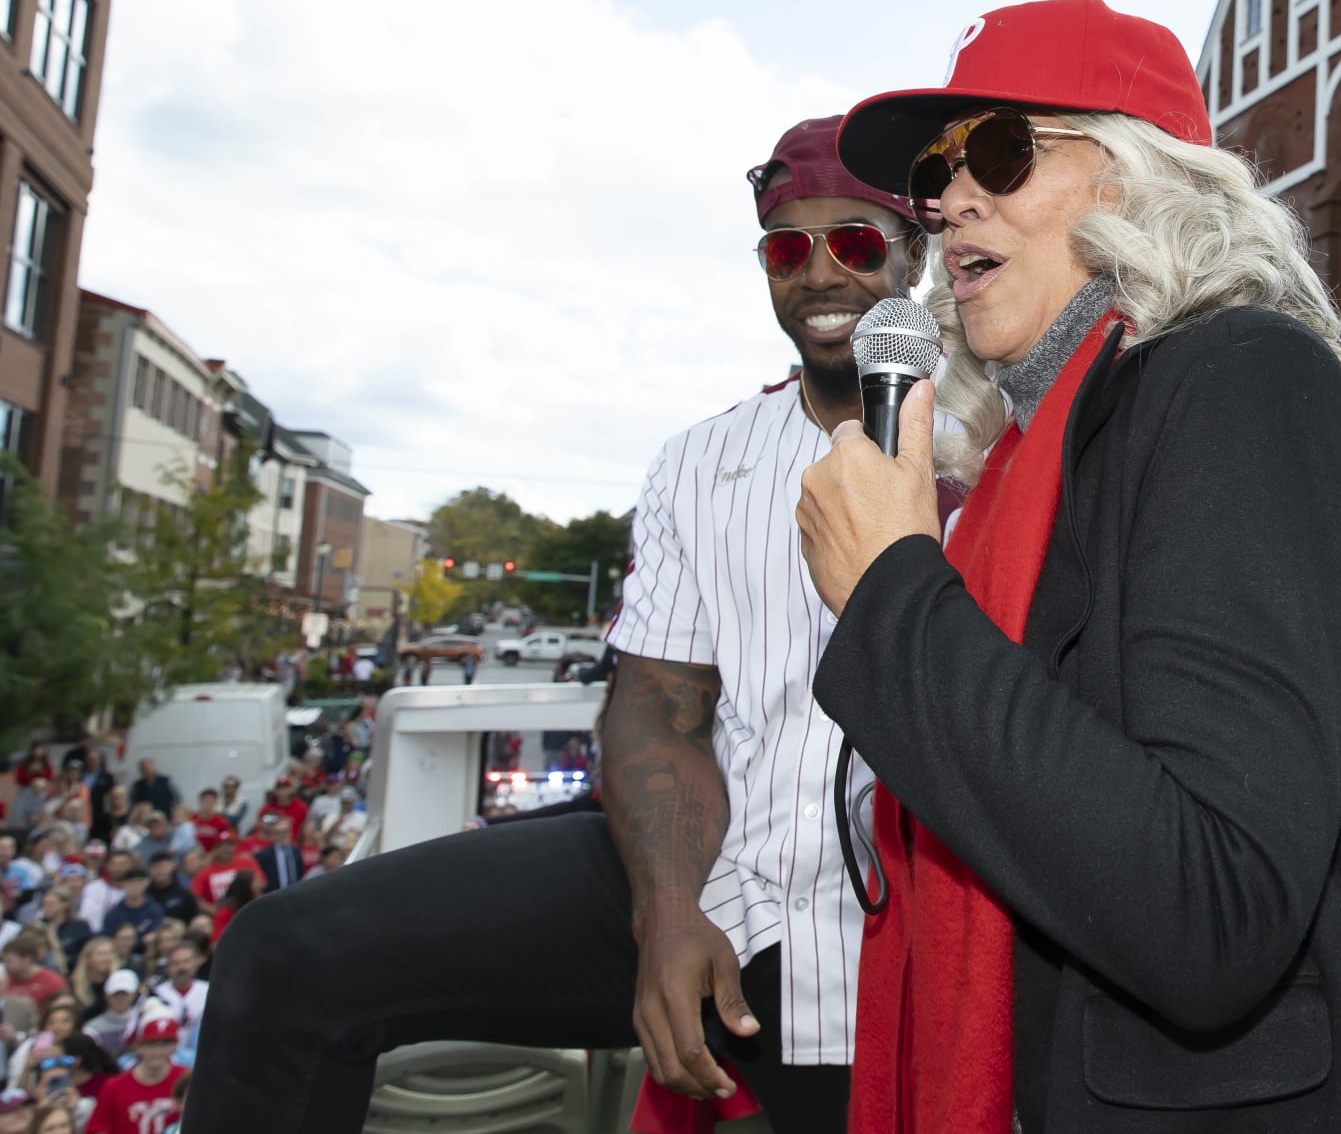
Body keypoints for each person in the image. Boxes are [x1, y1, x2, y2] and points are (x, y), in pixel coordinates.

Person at [800, 0, 1341, 1132]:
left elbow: (1212, 908)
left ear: (1145, 179)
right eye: (934, 175)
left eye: (998, 148)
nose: (948, 200)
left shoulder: (1242, 380)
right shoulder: (1018, 476)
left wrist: (895, 595)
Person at [182, 112, 949, 1134]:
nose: (818, 275)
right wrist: (668, 909)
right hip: (710, 868)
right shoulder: (699, 461)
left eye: (853, 243)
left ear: (916, 253)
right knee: (281, 954)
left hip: (902, 916)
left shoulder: (991, 445)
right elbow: (654, 704)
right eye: (785, 247)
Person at [83, 1015, 182, 1134]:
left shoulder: (186, 1080)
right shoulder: (114, 1087)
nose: (158, 1051)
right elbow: (98, 1128)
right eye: (151, 1043)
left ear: (175, 1045)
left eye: (165, 1043)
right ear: (138, 1046)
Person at [147, 947, 205, 1057]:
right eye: (176, 963)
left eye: (186, 961)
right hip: (164, 1058)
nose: (182, 967)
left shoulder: (210, 991)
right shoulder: (154, 994)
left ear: (196, 963)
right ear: (168, 968)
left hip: (203, 1057)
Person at [183, 843, 254, 910]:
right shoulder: (204, 873)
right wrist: (213, 910)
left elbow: (260, 885)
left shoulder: (246, 862)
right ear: (215, 850)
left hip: (245, 908)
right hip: (221, 912)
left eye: (229, 844)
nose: (225, 848)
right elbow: (194, 897)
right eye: (221, 846)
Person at [80, 975, 136, 1060]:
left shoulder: (141, 1020)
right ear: (106, 996)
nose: (120, 998)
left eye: (124, 994)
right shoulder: (92, 1028)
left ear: (133, 995)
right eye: (115, 995)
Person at [245, 820, 304, 895]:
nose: (283, 835)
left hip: (295, 894)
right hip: (274, 895)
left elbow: (299, 872)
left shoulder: (296, 851)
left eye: (285, 832)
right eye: (278, 833)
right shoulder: (263, 855)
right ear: (272, 835)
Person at [0, 942, 62, 1009]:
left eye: (9, 961)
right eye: (4, 961)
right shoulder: (4, 980)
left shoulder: (52, 982)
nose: (5, 965)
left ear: (27, 959)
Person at [136, 862, 190, 931]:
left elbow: (192, 916)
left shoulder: (183, 893)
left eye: (162, 868)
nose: (159, 872)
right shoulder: (145, 894)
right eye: (156, 868)